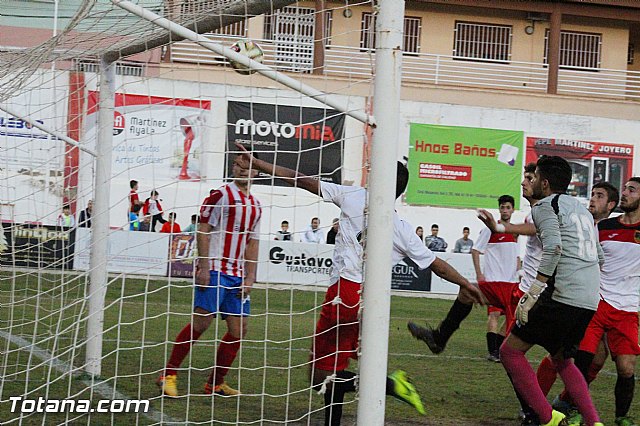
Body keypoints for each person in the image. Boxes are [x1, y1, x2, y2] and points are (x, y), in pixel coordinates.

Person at [235, 142, 485, 426]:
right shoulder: (401, 227)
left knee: (319, 377)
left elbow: (300, 179)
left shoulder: (354, 196)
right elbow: (435, 265)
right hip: (368, 303)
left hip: (343, 294)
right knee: (335, 369)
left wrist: (258, 164)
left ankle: (391, 386)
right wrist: (465, 282)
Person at [500, 156, 604, 426]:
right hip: (589, 298)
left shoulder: (545, 206)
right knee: (563, 360)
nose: (529, 183)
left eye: (533, 179)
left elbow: (555, 248)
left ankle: (548, 419)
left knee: (510, 352)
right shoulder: (581, 210)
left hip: (562, 294)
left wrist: (533, 291)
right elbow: (599, 256)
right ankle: (594, 422)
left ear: (544, 183)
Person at [157, 151, 262, 398]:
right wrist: (203, 266)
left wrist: (250, 277)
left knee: (239, 330)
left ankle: (215, 383)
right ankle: (168, 374)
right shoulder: (220, 195)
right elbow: (203, 230)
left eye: (248, 165)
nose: (242, 169)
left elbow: (253, 243)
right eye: (237, 164)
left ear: (257, 171)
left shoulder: (256, 205)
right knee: (201, 323)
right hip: (215, 269)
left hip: (237, 275)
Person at [534, 181, 620, 424]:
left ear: (611, 205)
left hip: (602, 302)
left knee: (590, 361)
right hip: (586, 300)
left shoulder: (610, 228)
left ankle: (565, 404)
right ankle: (538, 405)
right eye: (591, 194)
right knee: (566, 356)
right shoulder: (583, 223)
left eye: (599, 196)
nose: (592, 199)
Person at [472, 195, 520, 362]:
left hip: (511, 283)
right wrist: (479, 274)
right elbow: (475, 250)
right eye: (502, 207)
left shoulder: (515, 231)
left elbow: (517, 256)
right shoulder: (490, 229)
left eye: (508, 207)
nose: (505, 210)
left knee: (510, 317)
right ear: (499, 209)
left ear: (513, 209)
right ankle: (493, 352)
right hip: (494, 281)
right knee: (493, 315)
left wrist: (518, 272)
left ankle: (498, 349)